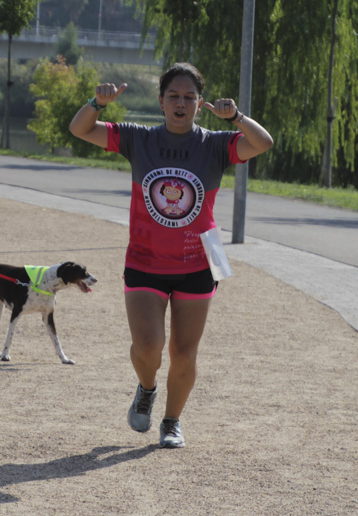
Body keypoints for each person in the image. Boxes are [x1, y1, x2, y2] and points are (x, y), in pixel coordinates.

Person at [69, 63, 274, 448]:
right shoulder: (137, 139)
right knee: (148, 346)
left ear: (200, 104)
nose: (181, 104)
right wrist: (97, 103)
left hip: (198, 261)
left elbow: (263, 143)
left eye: (189, 97)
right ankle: (147, 388)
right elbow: (79, 129)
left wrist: (236, 117)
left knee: (184, 351)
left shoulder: (215, 144)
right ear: (161, 101)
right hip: (145, 260)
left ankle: (172, 421)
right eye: (174, 96)